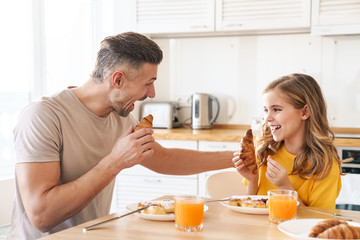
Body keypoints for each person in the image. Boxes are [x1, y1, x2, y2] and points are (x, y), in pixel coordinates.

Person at [8, 32, 234, 239]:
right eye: (148, 83)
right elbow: (42, 216)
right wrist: (115, 162)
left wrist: (236, 157)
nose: (152, 93)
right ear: (118, 80)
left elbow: (164, 159)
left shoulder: (121, 115)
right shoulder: (43, 116)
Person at [232, 73, 342, 209]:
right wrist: (252, 180)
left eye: (276, 109)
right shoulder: (264, 152)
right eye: (266, 110)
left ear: (305, 112)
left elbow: (317, 221)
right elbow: (251, 207)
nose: (267, 118)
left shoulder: (325, 167)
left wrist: (285, 187)